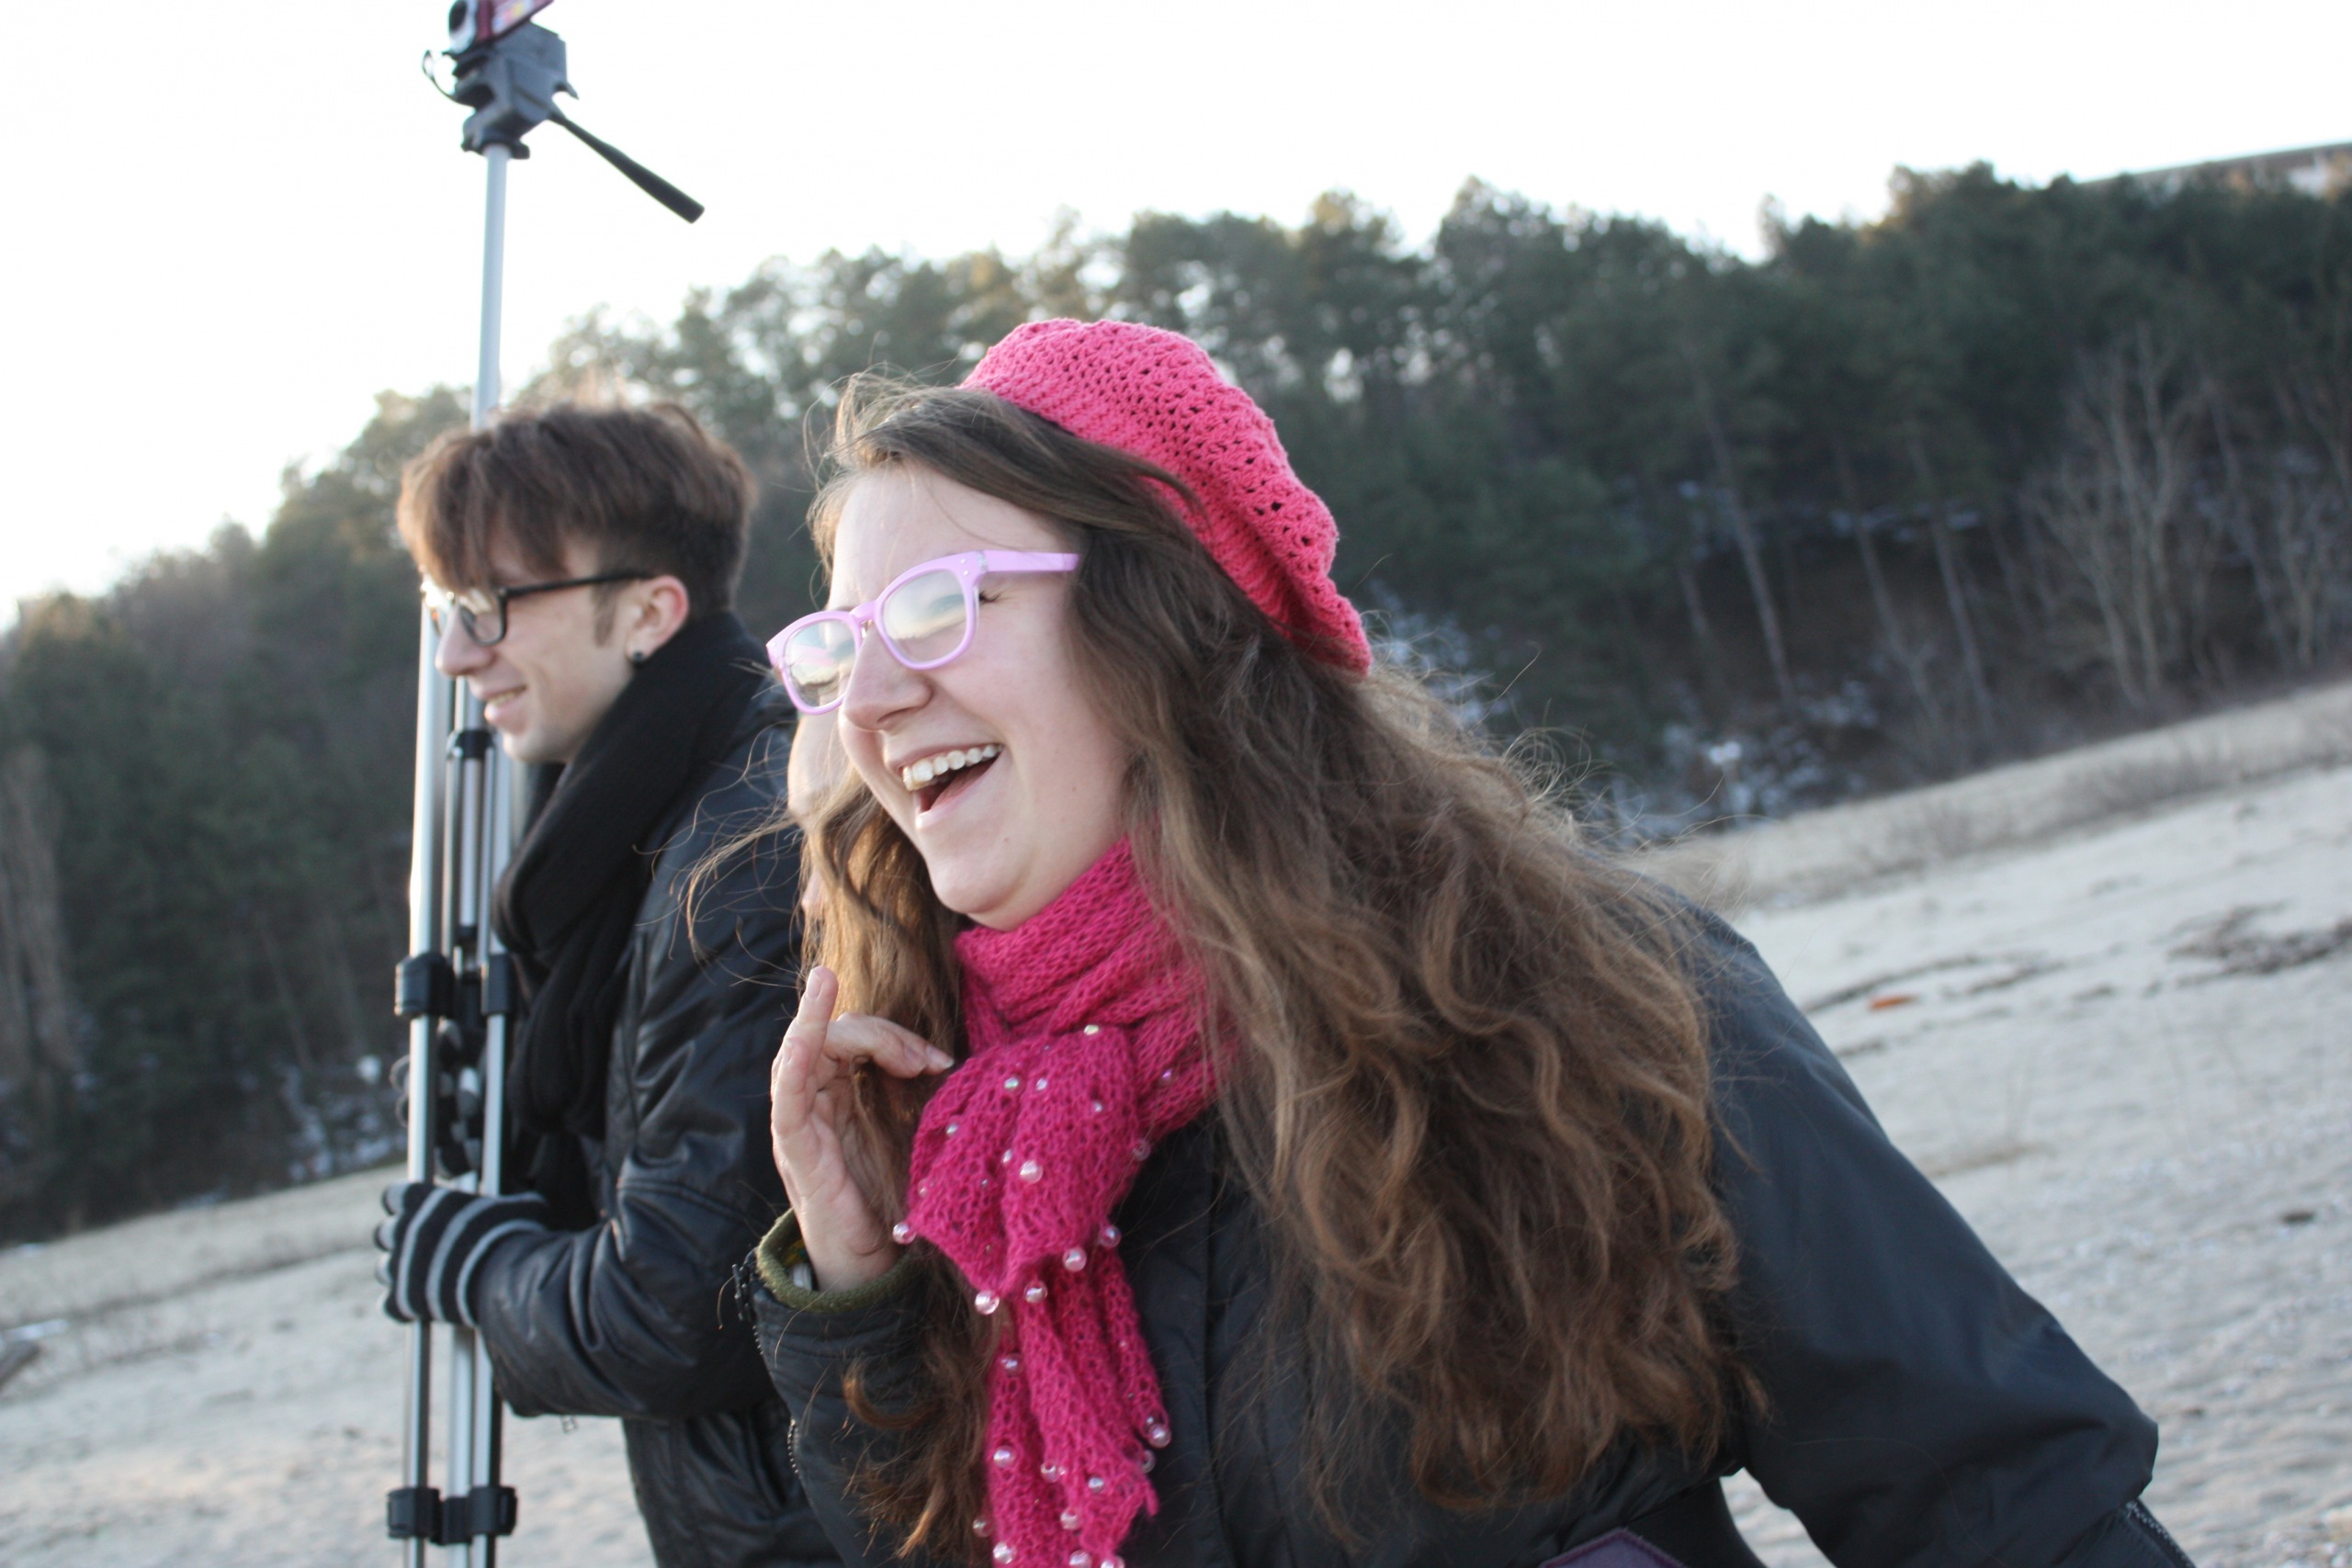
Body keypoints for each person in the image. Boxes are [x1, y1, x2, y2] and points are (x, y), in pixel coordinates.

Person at [745, 320, 2197, 1568]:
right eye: (836, 643)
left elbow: (1997, 1493)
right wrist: (857, 1293)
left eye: (933, 609)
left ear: (1163, 615)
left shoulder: (1566, 998)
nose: (865, 699)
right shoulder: (963, 1132)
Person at [371, 402, 835, 1568]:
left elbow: (683, 1312)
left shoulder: (739, 861)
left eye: (491, 605)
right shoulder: (623, 840)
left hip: (831, 1522)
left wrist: (482, 1270)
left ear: (647, 612)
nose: (456, 654)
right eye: (446, 608)